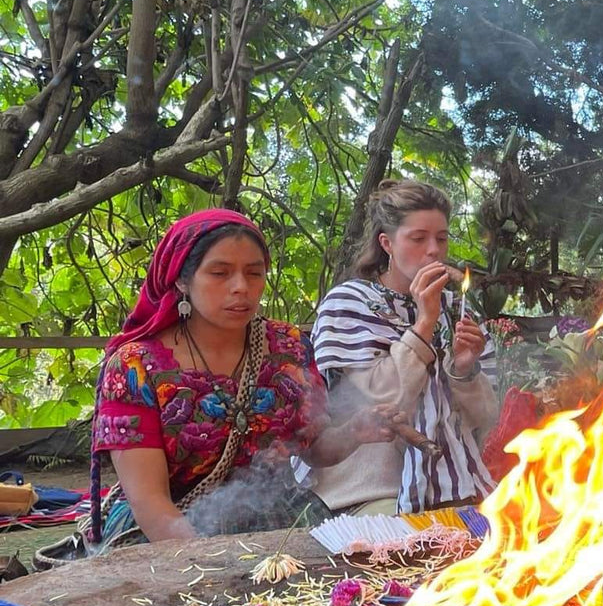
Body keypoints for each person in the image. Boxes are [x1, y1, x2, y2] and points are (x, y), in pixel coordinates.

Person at [43, 210, 392, 560]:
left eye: (254, 273)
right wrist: (212, 567)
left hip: (282, 525)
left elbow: (315, 450)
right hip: (166, 533)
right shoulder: (135, 367)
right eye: (219, 273)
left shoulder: (290, 348)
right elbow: (151, 501)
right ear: (181, 280)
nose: (241, 286)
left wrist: (355, 431)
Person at [305, 180, 502, 518]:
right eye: (418, 238)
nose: (433, 251)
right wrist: (424, 324)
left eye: (441, 238)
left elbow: (486, 418)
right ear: (387, 243)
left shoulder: (461, 308)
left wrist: (465, 370)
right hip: (374, 493)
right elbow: (384, 400)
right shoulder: (350, 302)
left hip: (461, 485)